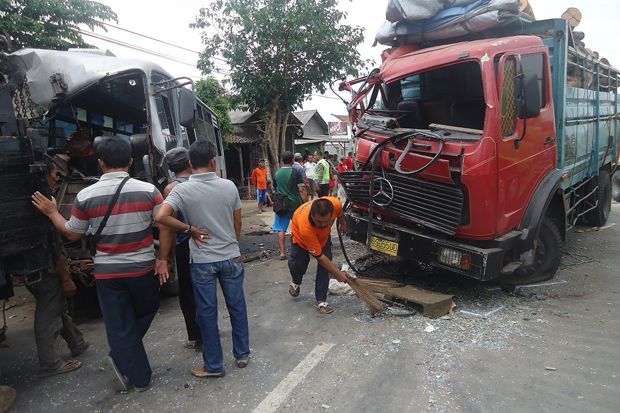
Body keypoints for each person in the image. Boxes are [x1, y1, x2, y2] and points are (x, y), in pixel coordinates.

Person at [32, 136, 163, 392]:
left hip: (107, 273)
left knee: (118, 323)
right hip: (142, 268)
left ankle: (125, 362)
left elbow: (72, 233)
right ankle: (137, 373)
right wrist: (164, 257)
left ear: (100, 163)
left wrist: (51, 212)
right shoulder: (149, 191)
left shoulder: (85, 195)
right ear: (131, 160)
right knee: (146, 310)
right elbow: (164, 223)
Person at [155, 141, 250, 378]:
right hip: (230, 256)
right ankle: (241, 354)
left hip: (202, 260)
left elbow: (161, 216)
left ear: (189, 164)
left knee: (207, 312)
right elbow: (237, 222)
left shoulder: (181, 190)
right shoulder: (229, 186)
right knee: (237, 306)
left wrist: (190, 229)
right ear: (213, 162)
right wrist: (232, 244)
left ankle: (214, 366)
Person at [25, 158, 88, 378]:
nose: (57, 177)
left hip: (33, 264)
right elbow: (55, 245)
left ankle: (77, 342)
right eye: (54, 173)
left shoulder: (29, 200)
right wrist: (66, 277)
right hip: (44, 265)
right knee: (49, 308)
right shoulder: (43, 205)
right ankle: (49, 363)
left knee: (56, 303)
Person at [162, 148, 201, 350]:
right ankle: (207, 329)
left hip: (184, 244)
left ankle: (197, 335)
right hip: (204, 240)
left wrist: (165, 257)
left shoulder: (171, 189)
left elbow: (168, 227)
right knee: (203, 288)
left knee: (187, 291)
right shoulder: (201, 182)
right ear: (189, 162)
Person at [287, 197, 351, 314]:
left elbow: (340, 213)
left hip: (324, 239)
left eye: (327, 221)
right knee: (298, 264)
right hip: (301, 240)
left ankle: (321, 300)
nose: (323, 225)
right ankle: (295, 281)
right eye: (319, 222)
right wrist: (338, 273)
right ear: (312, 215)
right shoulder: (305, 227)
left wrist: (343, 224)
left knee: (325, 268)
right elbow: (320, 257)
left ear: (331, 214)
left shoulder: (335, 204)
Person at [273, 151, 307, 260]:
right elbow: (302, 189)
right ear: (292, 160)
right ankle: (301, 249)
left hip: (281, 205)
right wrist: (305, 203)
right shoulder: (295, 172)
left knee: (281, 229)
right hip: (294, 204)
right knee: (299, 227)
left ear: (283, 160)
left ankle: (282, 253)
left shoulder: (277, 173)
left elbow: (275, 188)